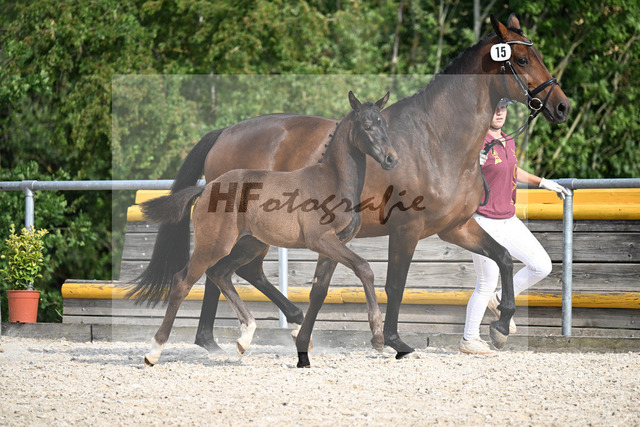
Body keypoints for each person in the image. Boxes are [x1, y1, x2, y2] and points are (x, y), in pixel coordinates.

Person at [459, 98, 570, 355]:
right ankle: (469, 339)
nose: (500, 113)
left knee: (542, 265)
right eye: (495, 108)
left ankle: (500, 299)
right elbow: (459, 174)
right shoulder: (474, 141)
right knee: (485, 282)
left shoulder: (508, 140)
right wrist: (473, 163)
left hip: (508, 218)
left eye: (504, 108)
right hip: (482, 221)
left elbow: (513, 171)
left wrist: (542, 182)